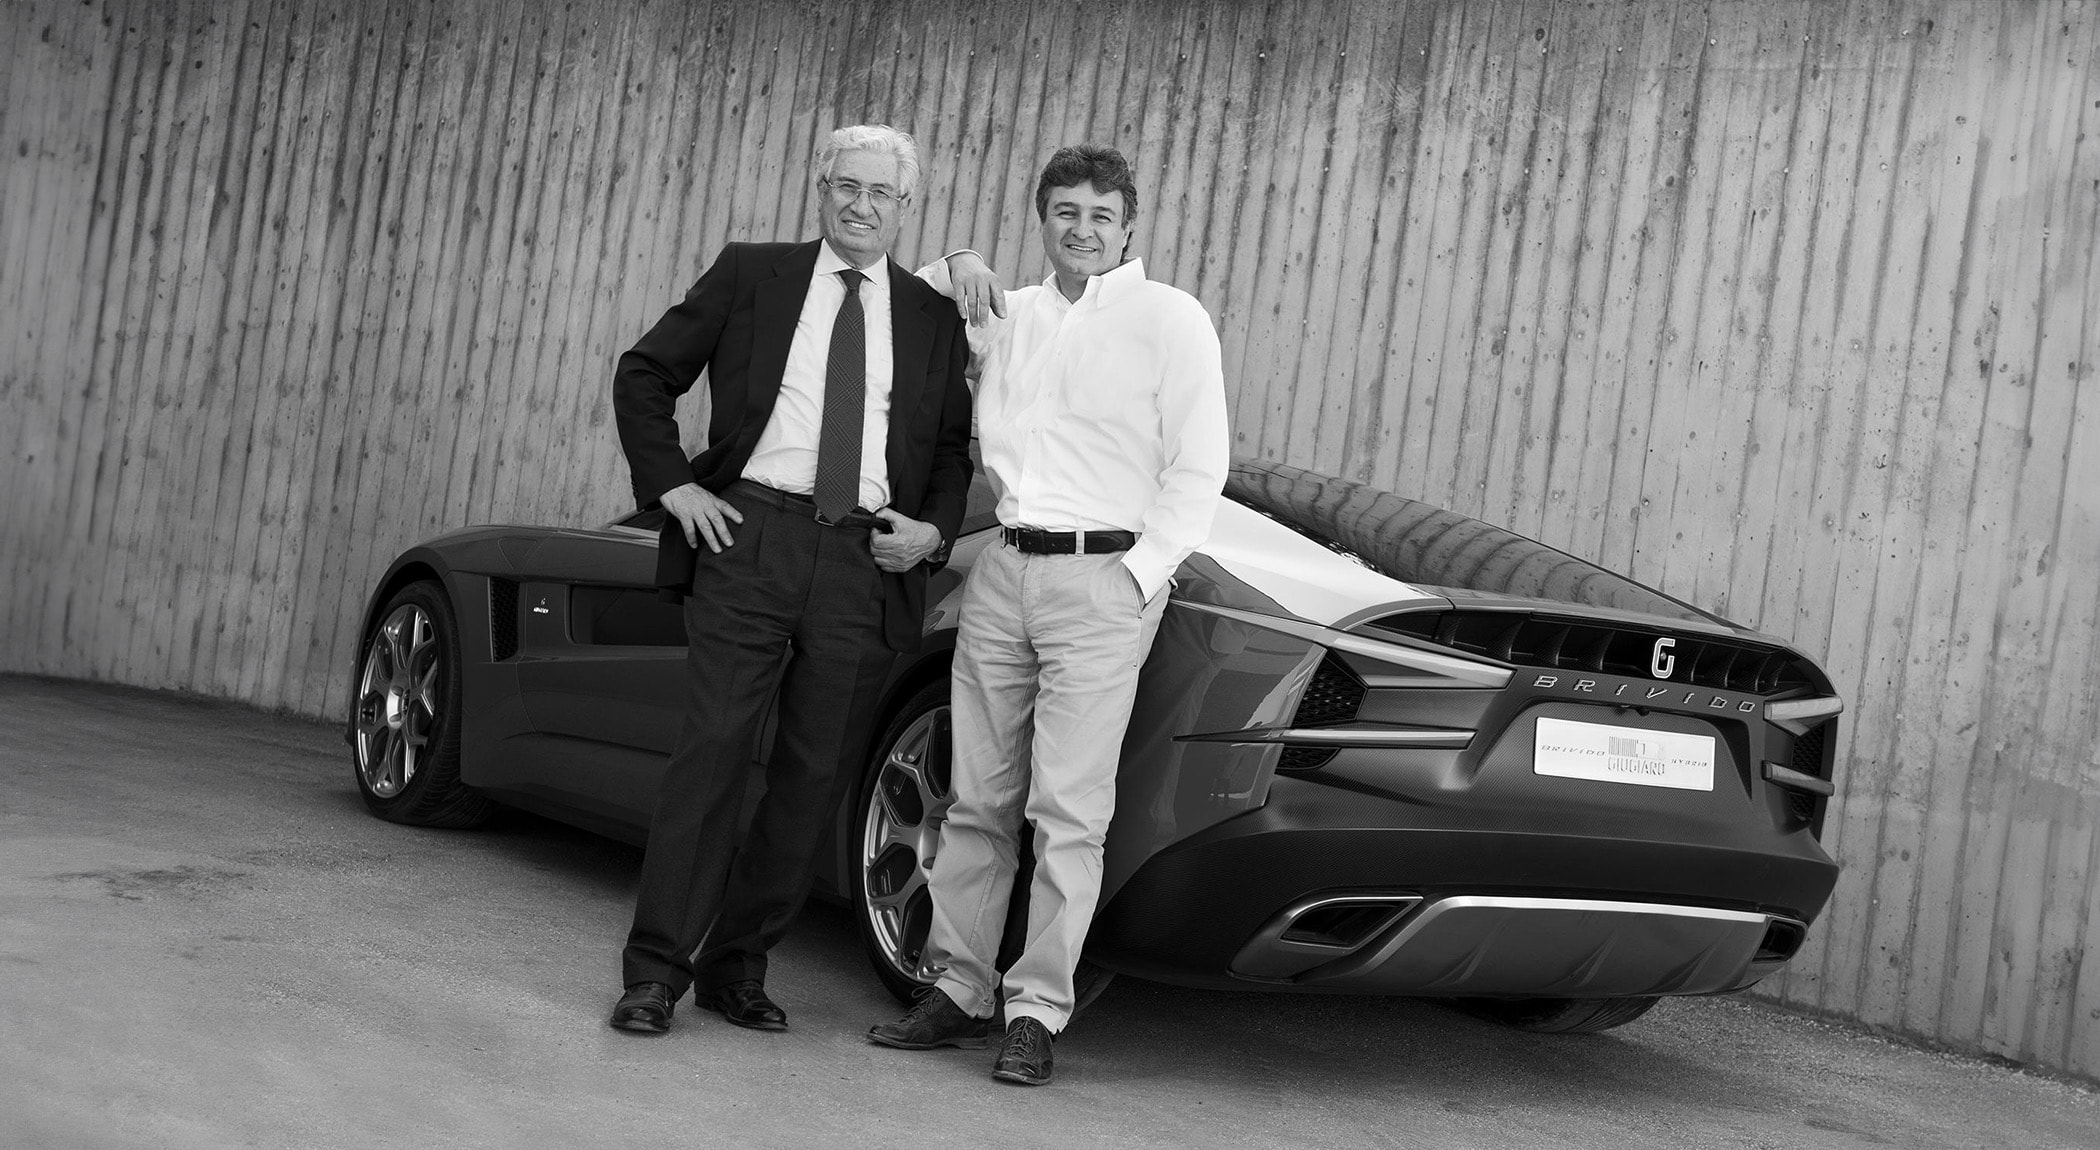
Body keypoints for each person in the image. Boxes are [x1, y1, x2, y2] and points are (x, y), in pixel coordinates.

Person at [867, 145, 1230, 1085]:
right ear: (1043, 220)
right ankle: (956, 989)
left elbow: (1200, 468)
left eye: (1102, 215)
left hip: (1104, 581)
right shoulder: (1011, 315)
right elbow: (904, 301)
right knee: (977, 797)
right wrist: (957, 260)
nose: (1083, 229)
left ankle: (1035, 1011)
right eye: (1066, 211)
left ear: (1129, 226)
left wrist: (1137, 578)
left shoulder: (1170, 319)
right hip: (1004, 570)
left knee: (1068, 809)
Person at [607, 124, 973, 1036]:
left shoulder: (930, 315)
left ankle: (739, 964)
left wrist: (931, 532)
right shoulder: (751, 274)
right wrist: (673, 485)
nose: (861, 206)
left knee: (813, 776)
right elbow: (644, 373)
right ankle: (656, 972)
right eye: (847, 186)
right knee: (713, 754)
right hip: (750, 537)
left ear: (906, 206)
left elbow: (950, 450)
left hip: (863, 560)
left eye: (881, 193)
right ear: (821, 190)